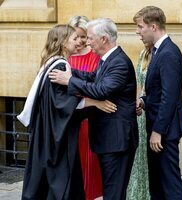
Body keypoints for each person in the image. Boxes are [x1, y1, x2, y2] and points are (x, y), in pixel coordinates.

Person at [17, 24, 116, 200]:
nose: (79, 42)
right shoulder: (60, 65)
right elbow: (63, 103)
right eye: (74, 38)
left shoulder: (51, 62)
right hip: (56, 135)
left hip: (48, 129)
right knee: (61, 179)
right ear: (63, 42)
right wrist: (95, 102)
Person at [49, 18, 138, 200]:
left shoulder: (119, 62)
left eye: (90, 38)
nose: (87, 42)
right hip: (108, 139)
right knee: (110, 190)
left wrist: (69, 80)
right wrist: (70, 72)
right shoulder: (107, 59)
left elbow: (102, 90)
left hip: (117, 141)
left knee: (113, 193)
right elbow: (92, 77)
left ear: (103, 39)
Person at [133, 6, 182, 200]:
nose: (137, 32)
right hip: (158, 127)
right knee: (157, 184)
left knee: (169, 184)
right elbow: (158, 93)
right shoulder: (158, 51)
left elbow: (170, 97)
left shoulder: (168, 53)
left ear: (153, 26)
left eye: (140, 27)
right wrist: (143, 101)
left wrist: (158, 132)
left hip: (164, 131)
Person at [68, 15, 103, 200]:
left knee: (90, 162)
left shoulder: (95, 57)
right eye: (77, 36)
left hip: (89, 118)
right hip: (69, 118)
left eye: (84, 36)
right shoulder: (64, 58)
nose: (81, 41)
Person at [126, 43, 152, 200]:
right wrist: (137, 102)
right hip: (141, 110)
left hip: (154, 109)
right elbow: (138, 84)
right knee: (138, 155)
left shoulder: (165, 54)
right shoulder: (142, 54)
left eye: (141, 28)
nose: (139, 33)